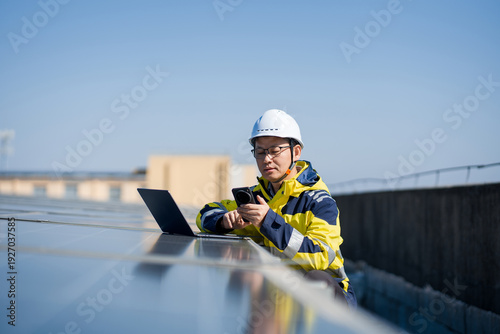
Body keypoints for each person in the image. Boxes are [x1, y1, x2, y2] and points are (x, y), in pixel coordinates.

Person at [196, 109, 357, 309]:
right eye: (260, 151)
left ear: (296, 152)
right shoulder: (257, 196)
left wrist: (268, 222)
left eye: (275, 150)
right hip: (278, 299)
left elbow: (322, 256)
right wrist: (224, 221)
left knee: (317, 278)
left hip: (329, 302)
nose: (266, 159)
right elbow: (206, 212)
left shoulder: (319, 202)